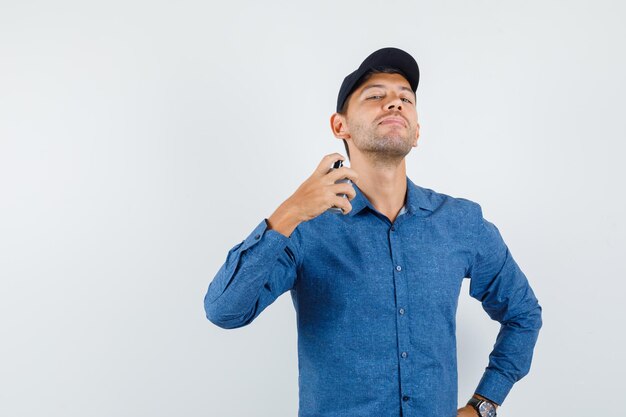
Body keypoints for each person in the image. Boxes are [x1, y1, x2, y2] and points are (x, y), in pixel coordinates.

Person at [204, 47, 542, 417]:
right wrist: (289, 212)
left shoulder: (460, 222)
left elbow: (523, 313)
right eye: (375, 96)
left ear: (416, 132)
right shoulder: (304, 228)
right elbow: (225, 311)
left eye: (404, 99)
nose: (394, 104)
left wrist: (484, 405)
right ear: (340, 126)